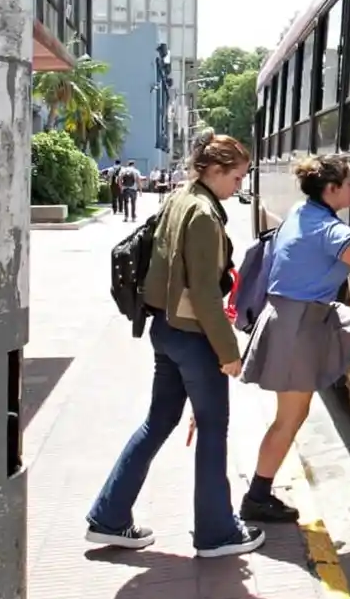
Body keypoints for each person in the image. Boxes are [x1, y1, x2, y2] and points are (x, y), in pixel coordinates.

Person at [85, 131, 263, 557]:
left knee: (158, 422)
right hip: (193, 335)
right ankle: (216, 531)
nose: (239, 186)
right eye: (236, 178)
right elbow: (204, 293)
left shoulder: (181, 197)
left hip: (165, 329)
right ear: (215, 171)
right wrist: (229, 353)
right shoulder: (202, 213)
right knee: (213, 428)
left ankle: (109, 517)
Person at [239, 154, 350, 524]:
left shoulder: (304, 211)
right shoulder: (327, 229)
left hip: (306, 313)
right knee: (290, 418)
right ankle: (257, 496)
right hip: (299, 323)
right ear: (332, 190)